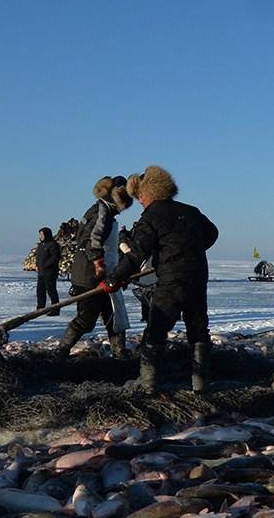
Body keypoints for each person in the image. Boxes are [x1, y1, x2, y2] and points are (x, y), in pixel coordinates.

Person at [109, 166, 218, 392]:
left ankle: (147, 384)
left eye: (139, 196)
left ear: (149, 193)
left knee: (156, 330)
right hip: (197, 277)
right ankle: (200, 386)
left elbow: (136, 253)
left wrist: (115, 278)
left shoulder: (151, 216)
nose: (138, 200)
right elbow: (212, 233)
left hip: (172, 279)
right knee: (198, 330)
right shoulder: (192, 211)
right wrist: (190, 249)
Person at [59, 176, 135, 358]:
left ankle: (119, 353)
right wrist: (98, 264)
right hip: (91, 275)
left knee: (115, 316)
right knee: (87, 319)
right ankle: (61, 350)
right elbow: (91, 240)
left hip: (106, 273)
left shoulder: (102, 211)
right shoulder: (102, 213)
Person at [33, 226, 62, 316]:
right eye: (40, 234)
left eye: (42, 234)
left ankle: (55, 309)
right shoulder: (40, 245)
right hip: (41, 272)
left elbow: (55, 257)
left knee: (51, 291)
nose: (40, 236)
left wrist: (46, 265)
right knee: (40, 291)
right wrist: (38, 265)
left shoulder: (53, 245)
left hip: (50, 272)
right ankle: (40, 308)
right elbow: (38, 257)